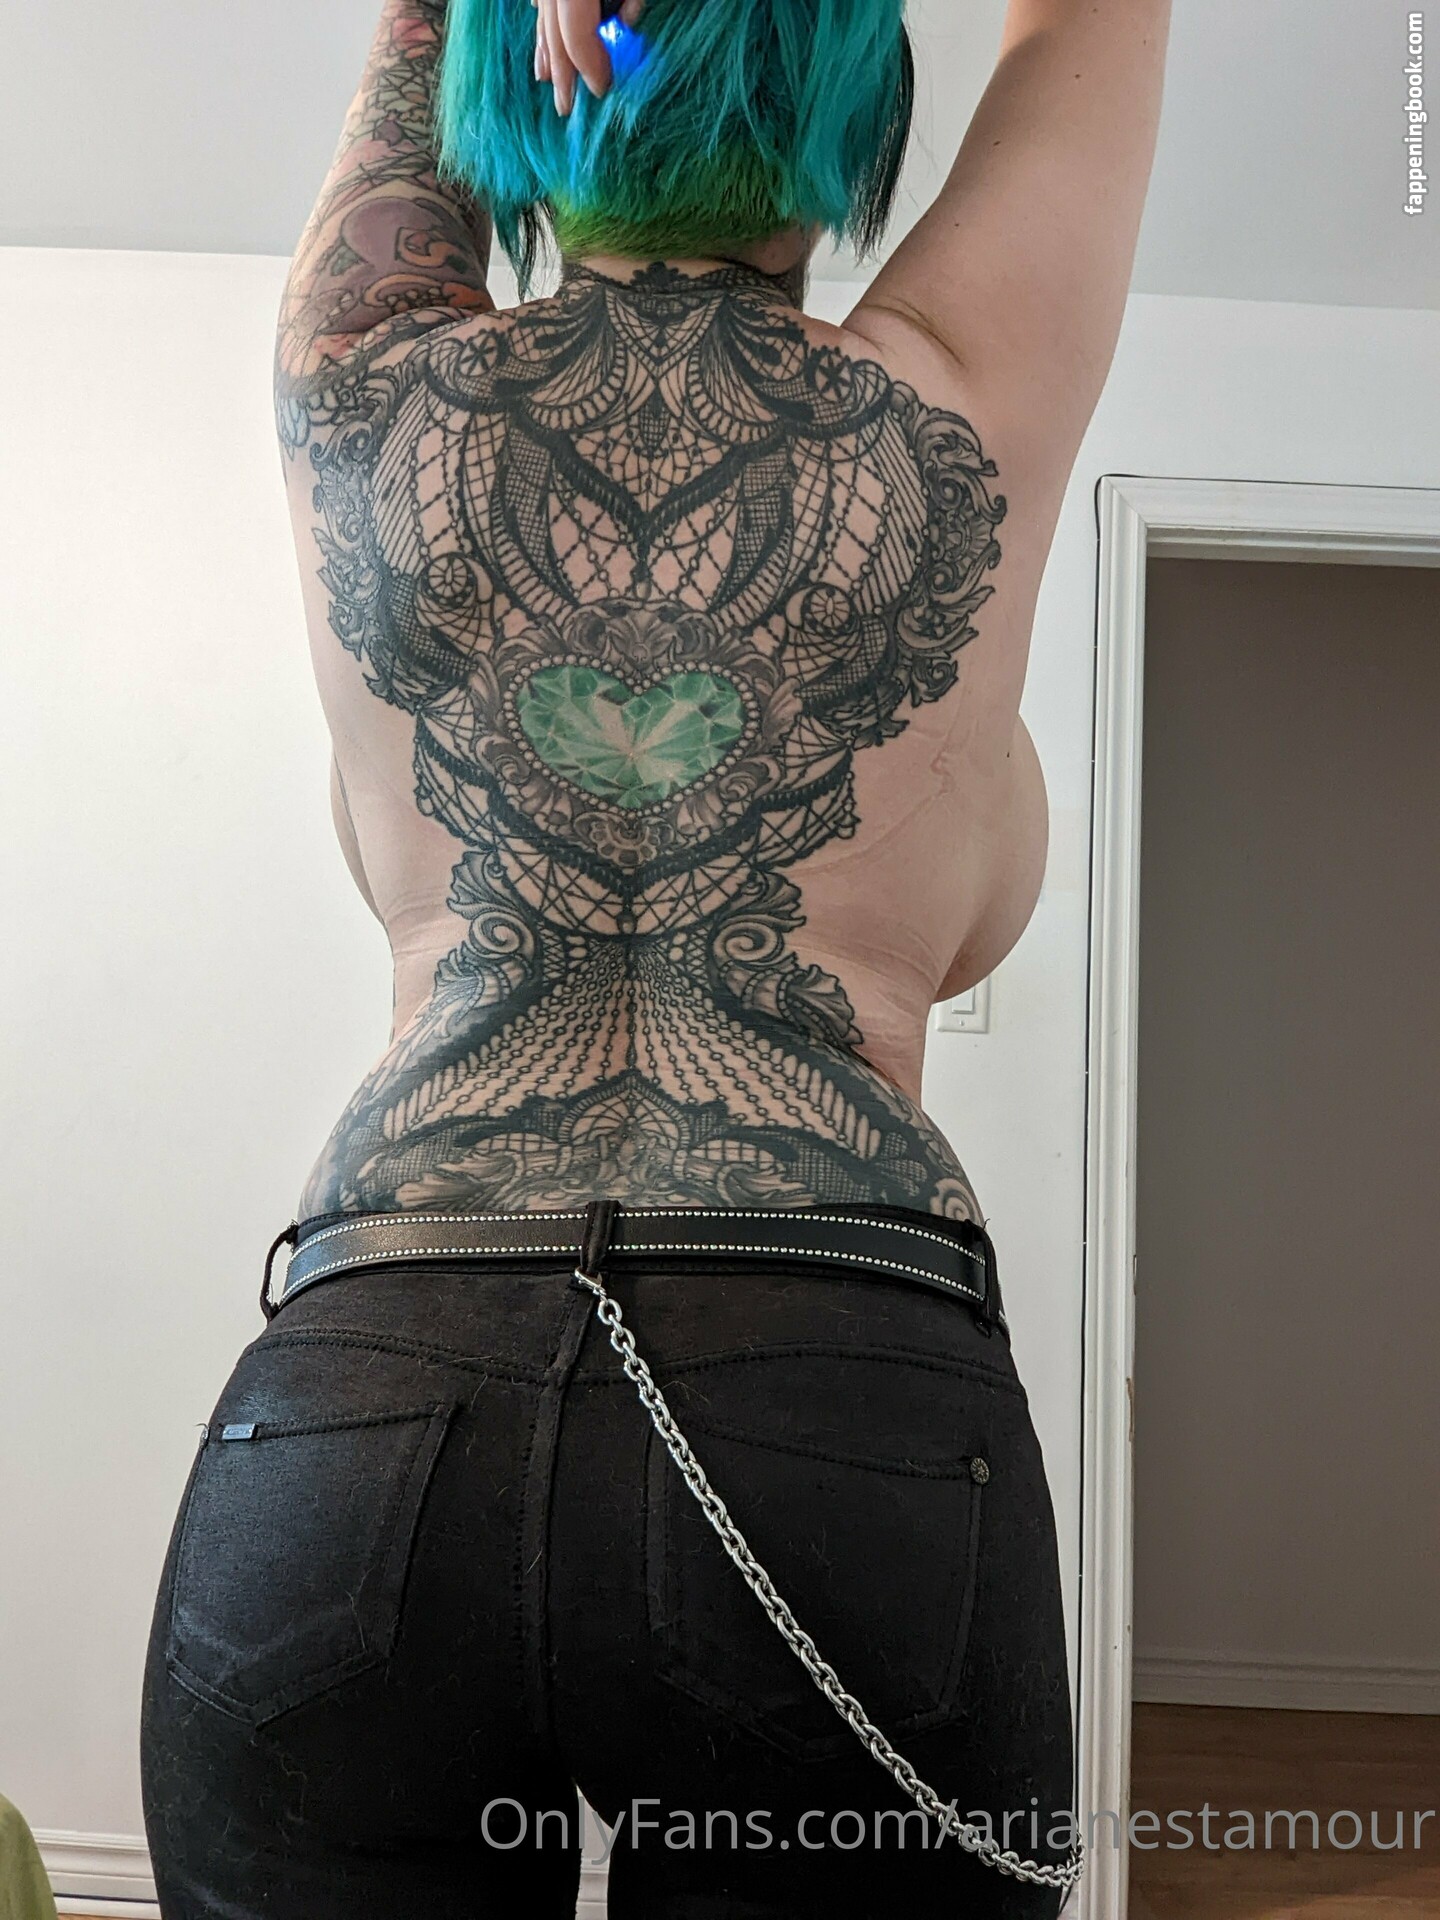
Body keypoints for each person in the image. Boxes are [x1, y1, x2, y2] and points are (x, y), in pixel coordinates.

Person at [140, 0, 1170, 1912]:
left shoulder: (359, 391)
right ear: (845, 103)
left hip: (372, 1397)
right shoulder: (959, 398)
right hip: (833, 1402)